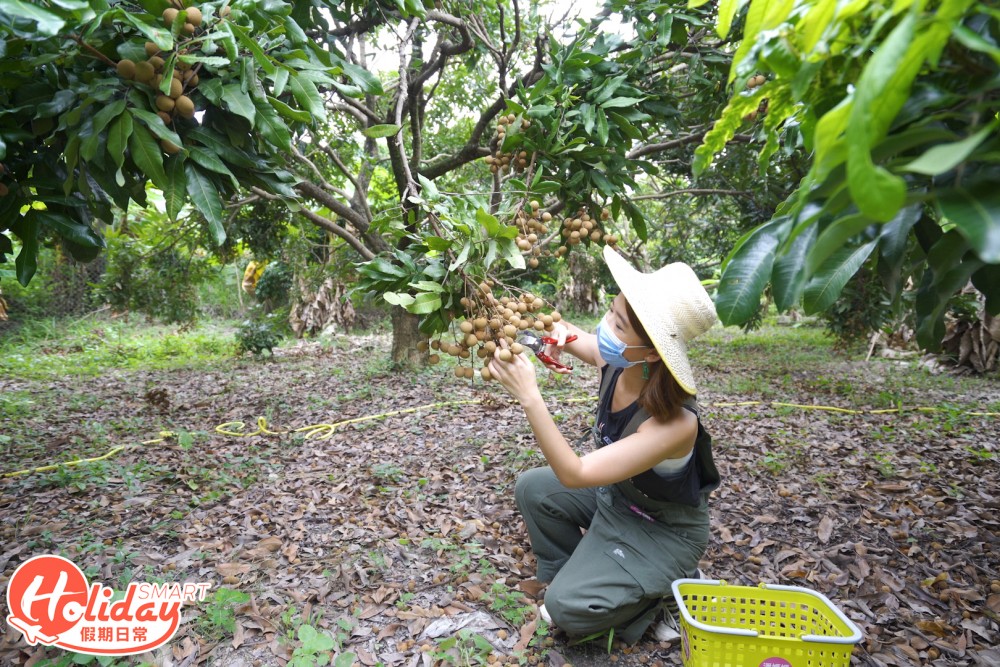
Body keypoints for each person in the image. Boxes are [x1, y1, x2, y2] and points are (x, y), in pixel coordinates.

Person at [486, 245, 720, 644]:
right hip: (617, 499)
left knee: (565, 610)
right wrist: (536, 325)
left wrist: (530, 396)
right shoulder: (619, 359)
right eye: (611, 311)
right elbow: (573, 335)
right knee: (534, 488)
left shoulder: (675, 424)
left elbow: (574, 473)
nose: (606, 326)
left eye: (619, 324)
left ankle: (669, 591)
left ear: (653, 352)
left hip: (663, 530)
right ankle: (578, 571)